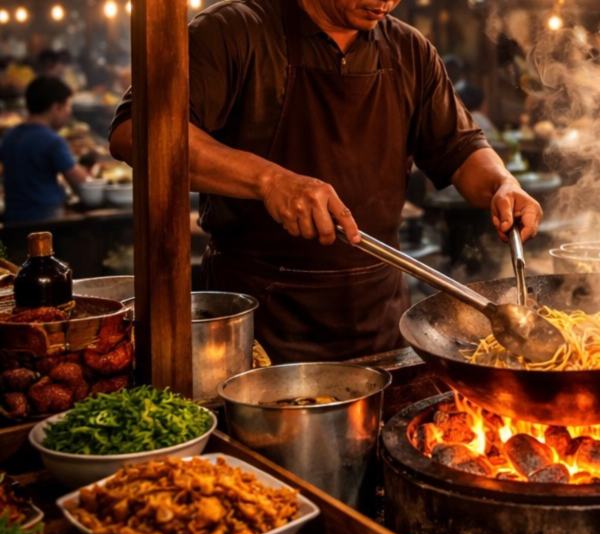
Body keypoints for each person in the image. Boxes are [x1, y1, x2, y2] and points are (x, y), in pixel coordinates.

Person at [108, 0, 544, 363]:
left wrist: (503, 185)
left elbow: (460, 149)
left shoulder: (410, 50)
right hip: (259, 320)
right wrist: (269, 180)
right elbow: (134, 135)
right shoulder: (233, 30)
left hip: (378, 316)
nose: (385, 2)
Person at [1, 77, 88, 223]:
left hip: (12, 217)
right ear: (56, 108)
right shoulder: (52, 140)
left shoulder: (10, 135)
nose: (69, 112)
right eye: (68, 106)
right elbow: (79, 180)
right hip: (46, 218)